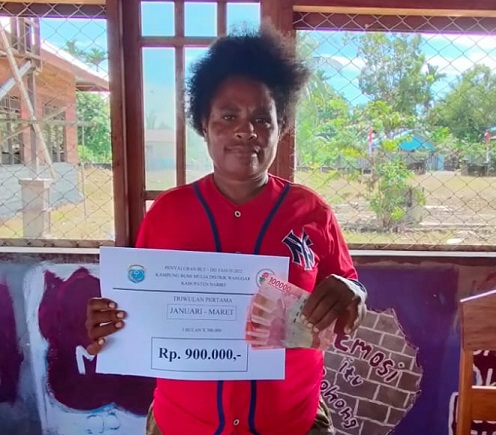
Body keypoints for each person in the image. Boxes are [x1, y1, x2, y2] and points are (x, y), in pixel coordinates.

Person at [86, 24, 367, 435]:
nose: (245, 130)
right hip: (182, 424)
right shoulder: (167, 214)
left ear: (282, 126)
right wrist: (110, 325)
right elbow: (137, 308)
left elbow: (347, 295)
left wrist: (354, 292)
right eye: (228, 116)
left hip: (293, 422)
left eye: (262, 118)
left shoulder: (312, 213)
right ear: (204, 123)